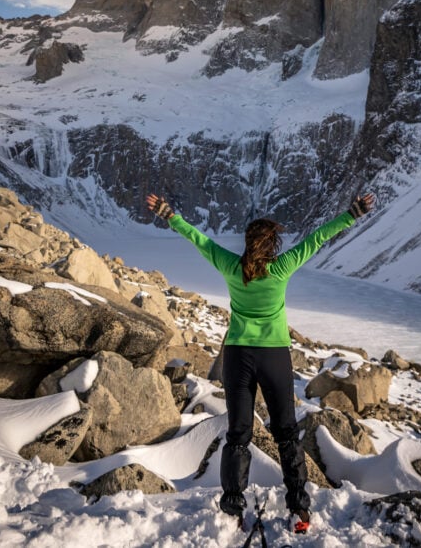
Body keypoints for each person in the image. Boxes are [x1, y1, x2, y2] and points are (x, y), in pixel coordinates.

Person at [146, 191, 375, 533]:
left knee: (238, 435)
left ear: (248, 243)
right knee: (285, 432)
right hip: (274, 356)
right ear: (272, 245)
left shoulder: (230, 266)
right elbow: (318, 238)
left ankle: (232, 509)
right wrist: (352, 213)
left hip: (238, 355)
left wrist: (168, 214)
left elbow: (199, 239)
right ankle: (299, 509)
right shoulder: (282, 267)